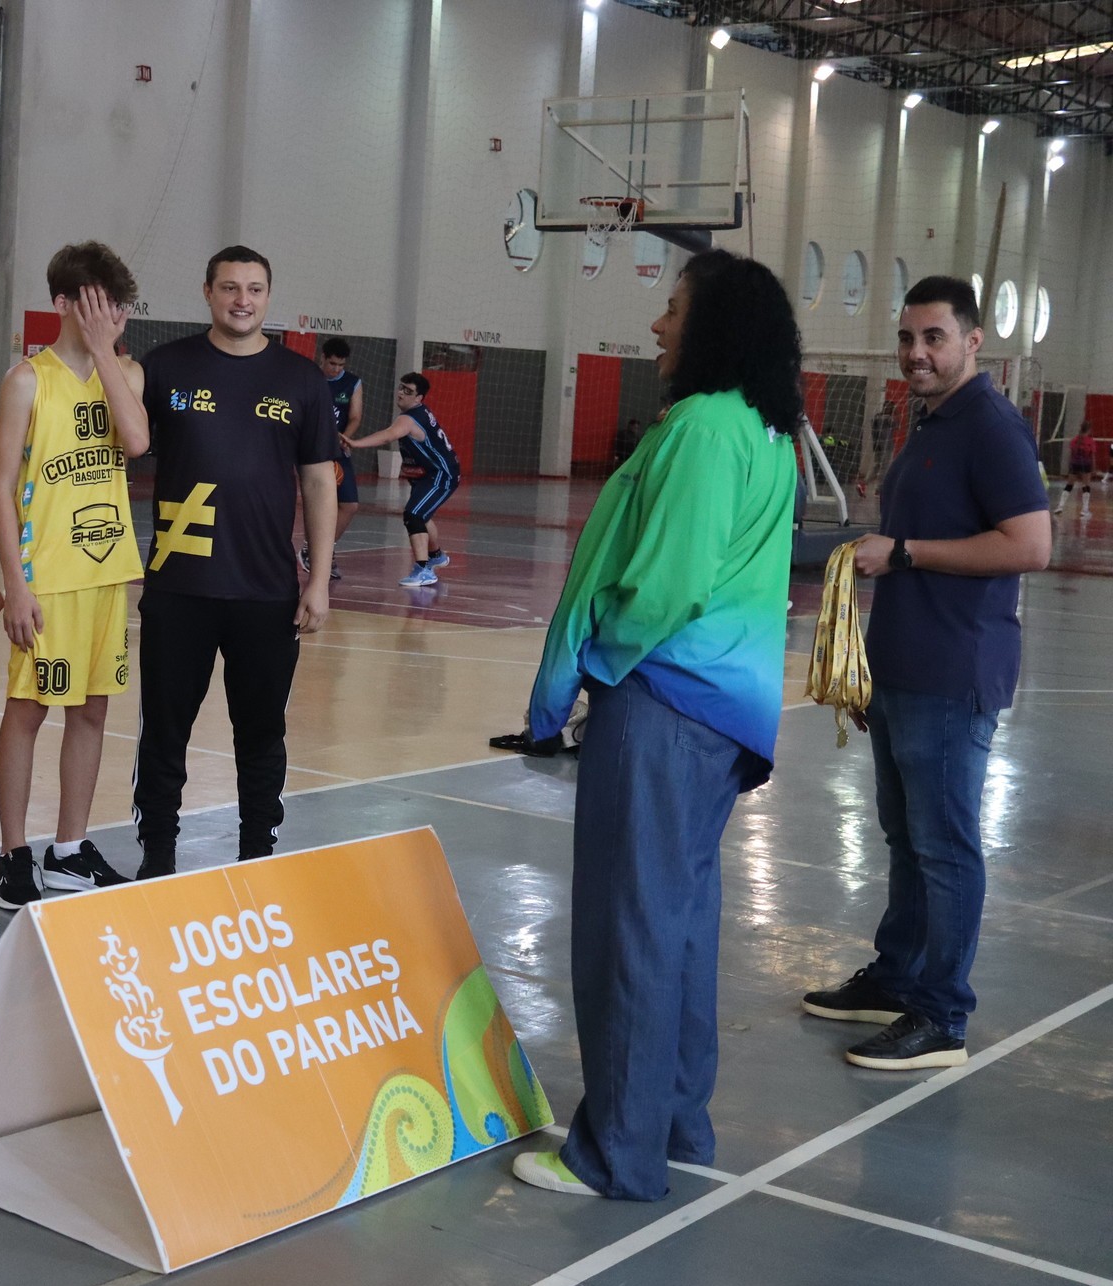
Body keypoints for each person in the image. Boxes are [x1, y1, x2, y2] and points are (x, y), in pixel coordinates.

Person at [511, 250, 801, 1199]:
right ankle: (673, 1122)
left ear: (712, 325)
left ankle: (616, 1153)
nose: (658, 325)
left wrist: (596, 664)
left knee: (627, 924)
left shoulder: (706, 428)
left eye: (672, 307)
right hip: (721, 713)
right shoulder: (762, 428)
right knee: (675, 924)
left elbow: (667, 585)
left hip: (667, 704)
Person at [803, 276, 1051, 1071]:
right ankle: (898, 976)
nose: (916, 352)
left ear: (973, 341)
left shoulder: (991, 427)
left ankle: (941, 1015)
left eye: (934, 337)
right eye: (908, 337)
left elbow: (1031, 544)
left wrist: (904, 552)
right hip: (903, 671)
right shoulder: (931, 421)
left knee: (944, 847)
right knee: (906, 837)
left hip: (953, 673)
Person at [131, 245, 334, 878]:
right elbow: (122, 436)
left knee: (261, 731)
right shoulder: (166, 367)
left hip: (266, 592)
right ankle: (157, 856)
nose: (242, 300)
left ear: (268, 296)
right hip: (179, 588)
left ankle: (257, 856)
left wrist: (318, 579)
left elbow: (319, 482)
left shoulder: (301, 380)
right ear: (208, 292)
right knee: (164, 732)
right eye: (229, 288)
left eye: (254, 289)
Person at [0, 243, 148, 910]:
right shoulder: (27, 380)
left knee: (93, 709)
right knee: (28, 711)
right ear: (63, 304)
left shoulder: (127, 372)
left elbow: (136, 442)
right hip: (46, 575)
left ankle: (69, 848)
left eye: (119, 306)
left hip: (108, 573)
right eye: (99, 305)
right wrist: (15, 585)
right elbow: (0, 487)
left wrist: (106, 352)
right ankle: (13, 852)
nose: (113, 316)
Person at [346, 373, 459, 587]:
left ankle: (423, 570)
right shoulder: (416, 413)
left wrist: (356, 443)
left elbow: (389, 435)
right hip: (427, 474)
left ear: (419, 398)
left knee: (413, 514)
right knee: (423, 515)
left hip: (441, 474)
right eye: (401, 387)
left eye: (408, 391)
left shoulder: (409, 418)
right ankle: (435, 555)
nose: (401, 393)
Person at [310, 337, 360, 580]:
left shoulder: (352, 383)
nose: (336, 369)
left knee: (350, 505)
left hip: (338, 450)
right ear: (322, 358)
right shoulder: (310, 378)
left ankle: (319, 549)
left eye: (341, 365)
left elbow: (356, 417)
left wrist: (344, 437)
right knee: (320, 503)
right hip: (313, 451)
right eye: (332, 364)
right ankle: (318, 552)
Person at [1055, 421, 1095, 517]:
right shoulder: (1090, 441)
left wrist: (1069, 465)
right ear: (1089, 430)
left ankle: (1060, 506)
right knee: (1086, 485)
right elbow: (1092, 456)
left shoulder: (1074, 440)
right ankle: (1084, 510)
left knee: (1069, 485)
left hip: (1074, 464)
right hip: (1086, 464)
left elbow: (1071, 454)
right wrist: (1094, 468)